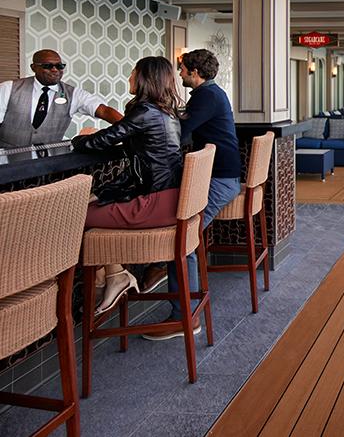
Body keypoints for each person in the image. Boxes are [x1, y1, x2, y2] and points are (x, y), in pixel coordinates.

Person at [72, 56, 184, 318]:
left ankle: (108, 278)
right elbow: (138, 166)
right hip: (170, 200)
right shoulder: (167, 113)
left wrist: (82, 137)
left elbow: (98, 142)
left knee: (76, 216)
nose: (129, 78)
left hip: (154, 204)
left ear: (145, 78)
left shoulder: (145, 112)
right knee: (92, 207)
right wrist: (101, 193)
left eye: (133, 73)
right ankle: (113, 274)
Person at [142, 48, 241, 341]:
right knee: (184, 237)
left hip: (219, 181)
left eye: (182, 69)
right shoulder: (210, 94)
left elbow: (182, 131)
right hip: (223, 177)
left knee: (182, 239)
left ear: (194, 73)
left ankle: (183, 316)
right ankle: (174, 289)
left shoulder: (205, 96)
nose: (180, 74)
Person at [0, 49, 122, 147]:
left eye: (59, 66)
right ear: (33, 67)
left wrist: (130, 127)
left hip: (49, 163)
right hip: (7, 161)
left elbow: (103, 110)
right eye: (48, 66)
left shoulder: (73, 94)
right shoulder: (8, 88)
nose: (55, 70)